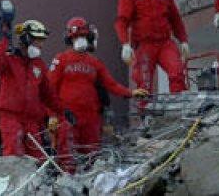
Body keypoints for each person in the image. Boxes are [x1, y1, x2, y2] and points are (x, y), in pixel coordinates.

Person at [49, 18, 147, 169]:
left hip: (91, 119)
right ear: (70, 38)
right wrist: (52, 116)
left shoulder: (95, 63)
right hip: (67, 117)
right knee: (66, 158)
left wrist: (131, 92)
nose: (79, 40)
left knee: (91, 157)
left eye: (82, 36)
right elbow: (50, 89)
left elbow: (111, 84)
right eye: (76, 37)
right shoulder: (60, 59)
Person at [115, 0, 191, 96]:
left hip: (164, 43)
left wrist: (183, 40)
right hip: (144, 44)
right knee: (144, 82)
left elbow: (175, 20)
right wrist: (125, 43)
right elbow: (122, 21)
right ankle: (146, 114)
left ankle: (179, 105)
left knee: (177, 72)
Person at [0, 16, 59, 160]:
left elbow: (48, 95)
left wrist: (63, 111)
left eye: (42, 41)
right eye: (37, 40)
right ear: (26, 39)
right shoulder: (9, 60)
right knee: (13, 155)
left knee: (38, 159)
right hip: (11, 117)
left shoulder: (38, 65)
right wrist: (3, 39)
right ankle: (13, 183)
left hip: (32, 121)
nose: (41, 45)